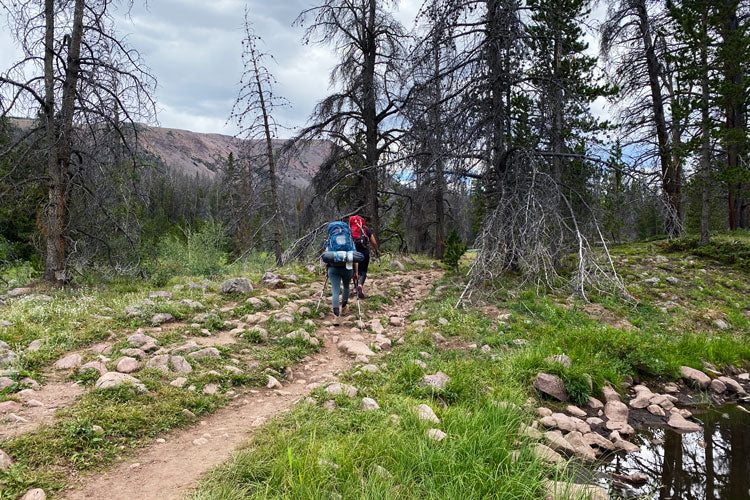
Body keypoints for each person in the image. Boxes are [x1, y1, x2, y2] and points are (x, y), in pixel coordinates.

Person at [323, 221, 359, 325]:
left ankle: (336, 316)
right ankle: (344, 308)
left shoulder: (330, 240)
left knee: (335, 290)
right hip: (347, 268)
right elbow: (354, 257)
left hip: (333, 269)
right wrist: (356, 272)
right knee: (346, 286)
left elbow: (327, 256)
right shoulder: (350, 241)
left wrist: (327, 271)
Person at [348, 215, 379, 298]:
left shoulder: (349, 230)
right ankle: (360, 285)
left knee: (354, 271)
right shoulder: (365, 229)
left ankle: (355, 287)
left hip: (353, 253)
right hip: (364, 252)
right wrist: (376, 250)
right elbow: (374, 242)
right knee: (363, 271)